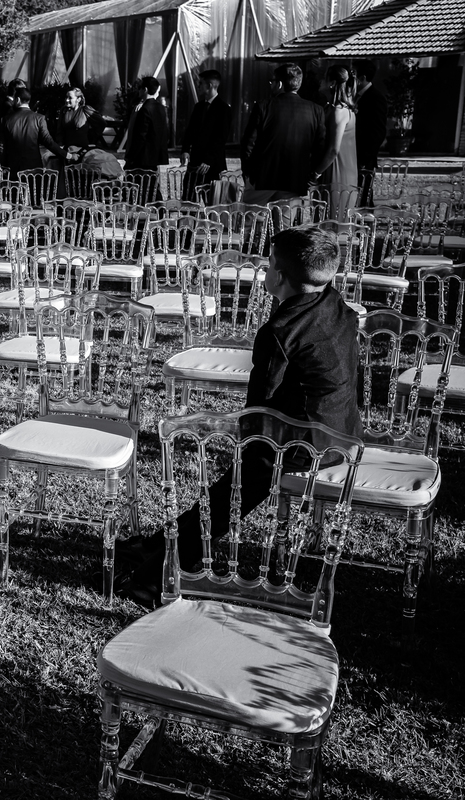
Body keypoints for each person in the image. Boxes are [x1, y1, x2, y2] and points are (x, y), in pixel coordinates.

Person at [118, 226, 361, 604]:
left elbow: (260, 405)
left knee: (228, 497)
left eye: (269, 264)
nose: (264, 270)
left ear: (279, 277)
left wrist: (234, 436)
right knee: (226, 487)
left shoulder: (280, 330)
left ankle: (152, 579)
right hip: (342, 430)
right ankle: (156, 546)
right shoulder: (336, 305)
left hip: (303, 444)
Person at [242, 63, 326, 204]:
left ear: (280, 84)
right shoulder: (316, 111)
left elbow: (248, 143)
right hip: (295, 180)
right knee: (286, 218)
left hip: (262, 179)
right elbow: (319, 148)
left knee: (256, 217)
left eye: (272, 81)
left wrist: (248, 173)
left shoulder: (263, 106)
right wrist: (311, 175)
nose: (270, 85)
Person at [314, 65, 358, 221]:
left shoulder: (339, 111)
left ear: (332, 83)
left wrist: (316, 173)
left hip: (337, 172)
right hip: (339, 169)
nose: (320, 81)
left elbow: (334, 149)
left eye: (324, 77)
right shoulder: (334, 108)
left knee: (333, 221)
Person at [180, 69, 232, 201]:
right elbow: (190, 130)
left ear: (209, 85)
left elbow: (221, 137)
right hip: (195, 163)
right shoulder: (198, 107)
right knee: (188, 199)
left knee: (212, 202)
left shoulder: (223, 109)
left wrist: (208, 160)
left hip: (212, 165)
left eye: (200, 83)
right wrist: (185, 149)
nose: (198, 86)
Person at [0, 87, 68, 181]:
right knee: (34, 190)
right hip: (34, 169)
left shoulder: (6, 120)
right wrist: (66, 155)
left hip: (13, 168)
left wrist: (4, 166)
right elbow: (49, 142)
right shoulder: (39, 119)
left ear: (18, 100)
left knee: (14, 190)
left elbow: (0, 147)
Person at [354, 60, 388, 205]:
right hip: (354, 155)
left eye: (353, 74)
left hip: (364, 157)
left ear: (362, 78)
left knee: (364, 196)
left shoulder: (376, 98)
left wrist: (365, 157)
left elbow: (378, 131)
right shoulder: (356, 95)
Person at [123, 76, 169, 177]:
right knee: (151, 184)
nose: (138, 90)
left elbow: (140, 136)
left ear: (145, 89)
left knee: (138, 184)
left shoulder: (144, 109)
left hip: (142, 158)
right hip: (155, 157)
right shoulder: (161, 108)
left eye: (140, 88)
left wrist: (130, 158)